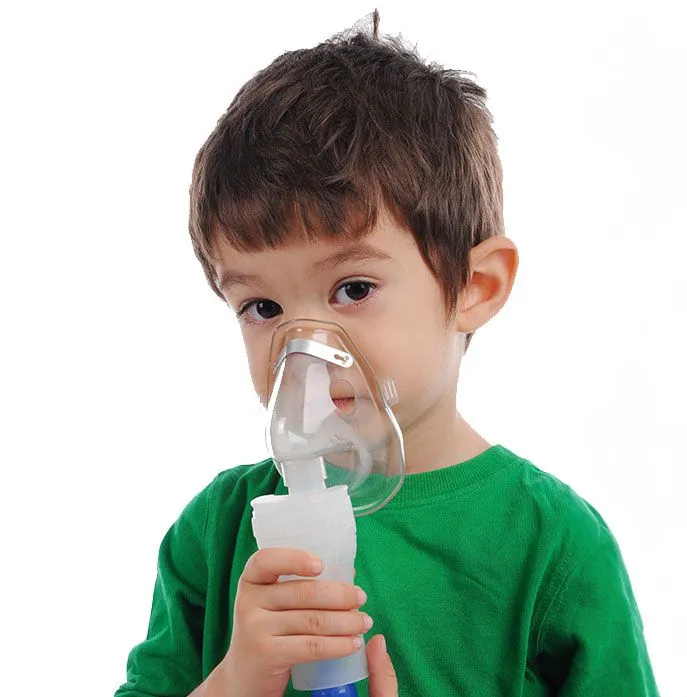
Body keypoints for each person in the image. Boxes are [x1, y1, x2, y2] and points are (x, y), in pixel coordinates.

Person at [115, 11, 660, 697]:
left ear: (474, 286)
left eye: (352, 289)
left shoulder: (550, 545)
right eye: (263, 307)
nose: (306, 350)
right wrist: (236, 679)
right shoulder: (216, 531)